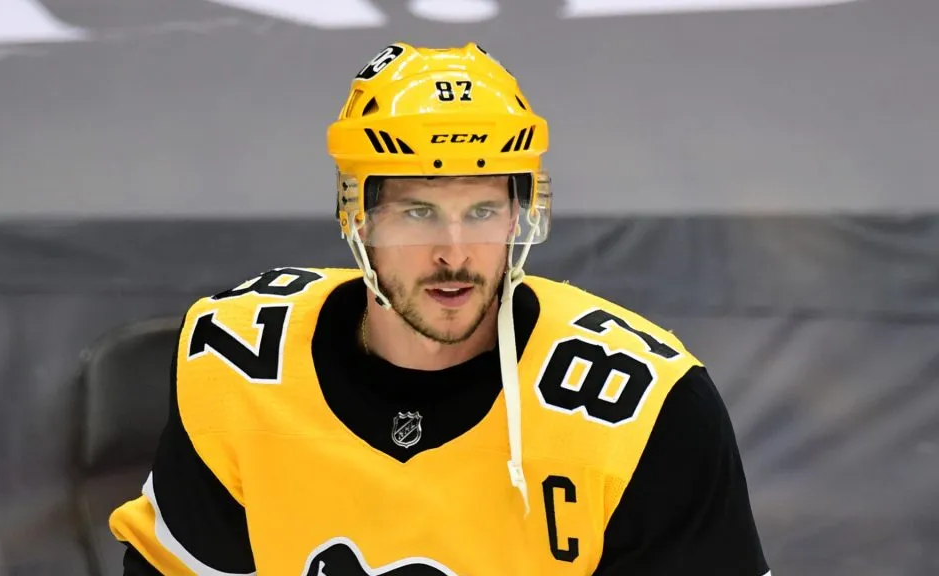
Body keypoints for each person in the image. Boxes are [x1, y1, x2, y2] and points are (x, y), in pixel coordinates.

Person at [109, 42, 770, 576]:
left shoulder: (649, 408)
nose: (454, 252)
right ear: (358, 218)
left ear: (520, 213)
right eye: (418, 211)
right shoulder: (239, 363)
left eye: (481, 211)